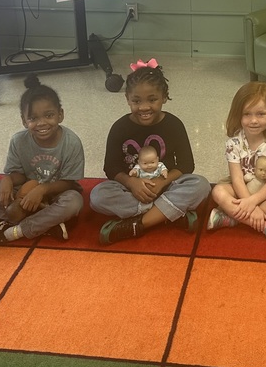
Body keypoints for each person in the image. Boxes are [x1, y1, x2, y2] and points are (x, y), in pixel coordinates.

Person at [90, 59, 210, 245]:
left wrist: (162, 182)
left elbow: (186, 164)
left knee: (201, 185)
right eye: (136, 101)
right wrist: (132, 183)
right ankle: (170, 213)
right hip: (132, 190)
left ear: (164, 97)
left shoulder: (174, 125)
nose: (144, 107)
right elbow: (111, 167)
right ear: (127, 99)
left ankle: (138, 224)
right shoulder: (119, 128)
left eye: (152, 99)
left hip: (167, 185)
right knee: (97, 196)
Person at [0, 75, 85, 247]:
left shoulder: (71, 142)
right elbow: (19, 175)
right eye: (33, 118)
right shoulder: (18, 140)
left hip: (56, 195)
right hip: (23, 195)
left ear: (60, 115)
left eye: (49, 115)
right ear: (24, 121)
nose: (41, 123)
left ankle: (17, 229)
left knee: (74, 201)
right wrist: (8, 179)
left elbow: (69, 183)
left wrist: (42, 189)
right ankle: (47, 223)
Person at [208, 81, 266, 242]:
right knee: (218, 192)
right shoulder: (233, 143)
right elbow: (236, 179)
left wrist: (251, 203)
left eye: (261, 114)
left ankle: (232, 215)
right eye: (246, 114)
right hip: (241, 186)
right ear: (238, 114)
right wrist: (251, 207)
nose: (253, 120)